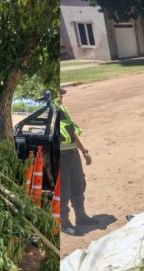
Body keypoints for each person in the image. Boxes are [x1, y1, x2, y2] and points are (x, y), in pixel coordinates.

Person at [58, 88, 96, 236]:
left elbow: (71, 132)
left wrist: (84, 151)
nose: (62, 97)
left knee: (78, 184)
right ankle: (64, 222)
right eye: (59, 95)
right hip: (61, 156)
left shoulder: (63, 111)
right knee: (64, 189)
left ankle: (81, 216)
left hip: (72, 153)